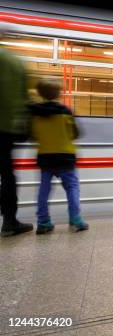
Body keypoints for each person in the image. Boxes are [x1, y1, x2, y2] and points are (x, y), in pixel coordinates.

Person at [30, 79, 88, 234]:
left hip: (45, 156)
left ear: (40, 94)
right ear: (58, 93)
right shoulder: (66, 111)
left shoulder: (35, 113)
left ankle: (43, 222)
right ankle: (75, 219)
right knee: (72, 187)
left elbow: (34, 135)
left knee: (44, 189)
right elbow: (75, 133)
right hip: (65, 156)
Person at [0, 32, 33, 237]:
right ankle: (9, 222)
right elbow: (24, 99)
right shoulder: (15, 62)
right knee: (7, 176)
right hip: (6, 129)